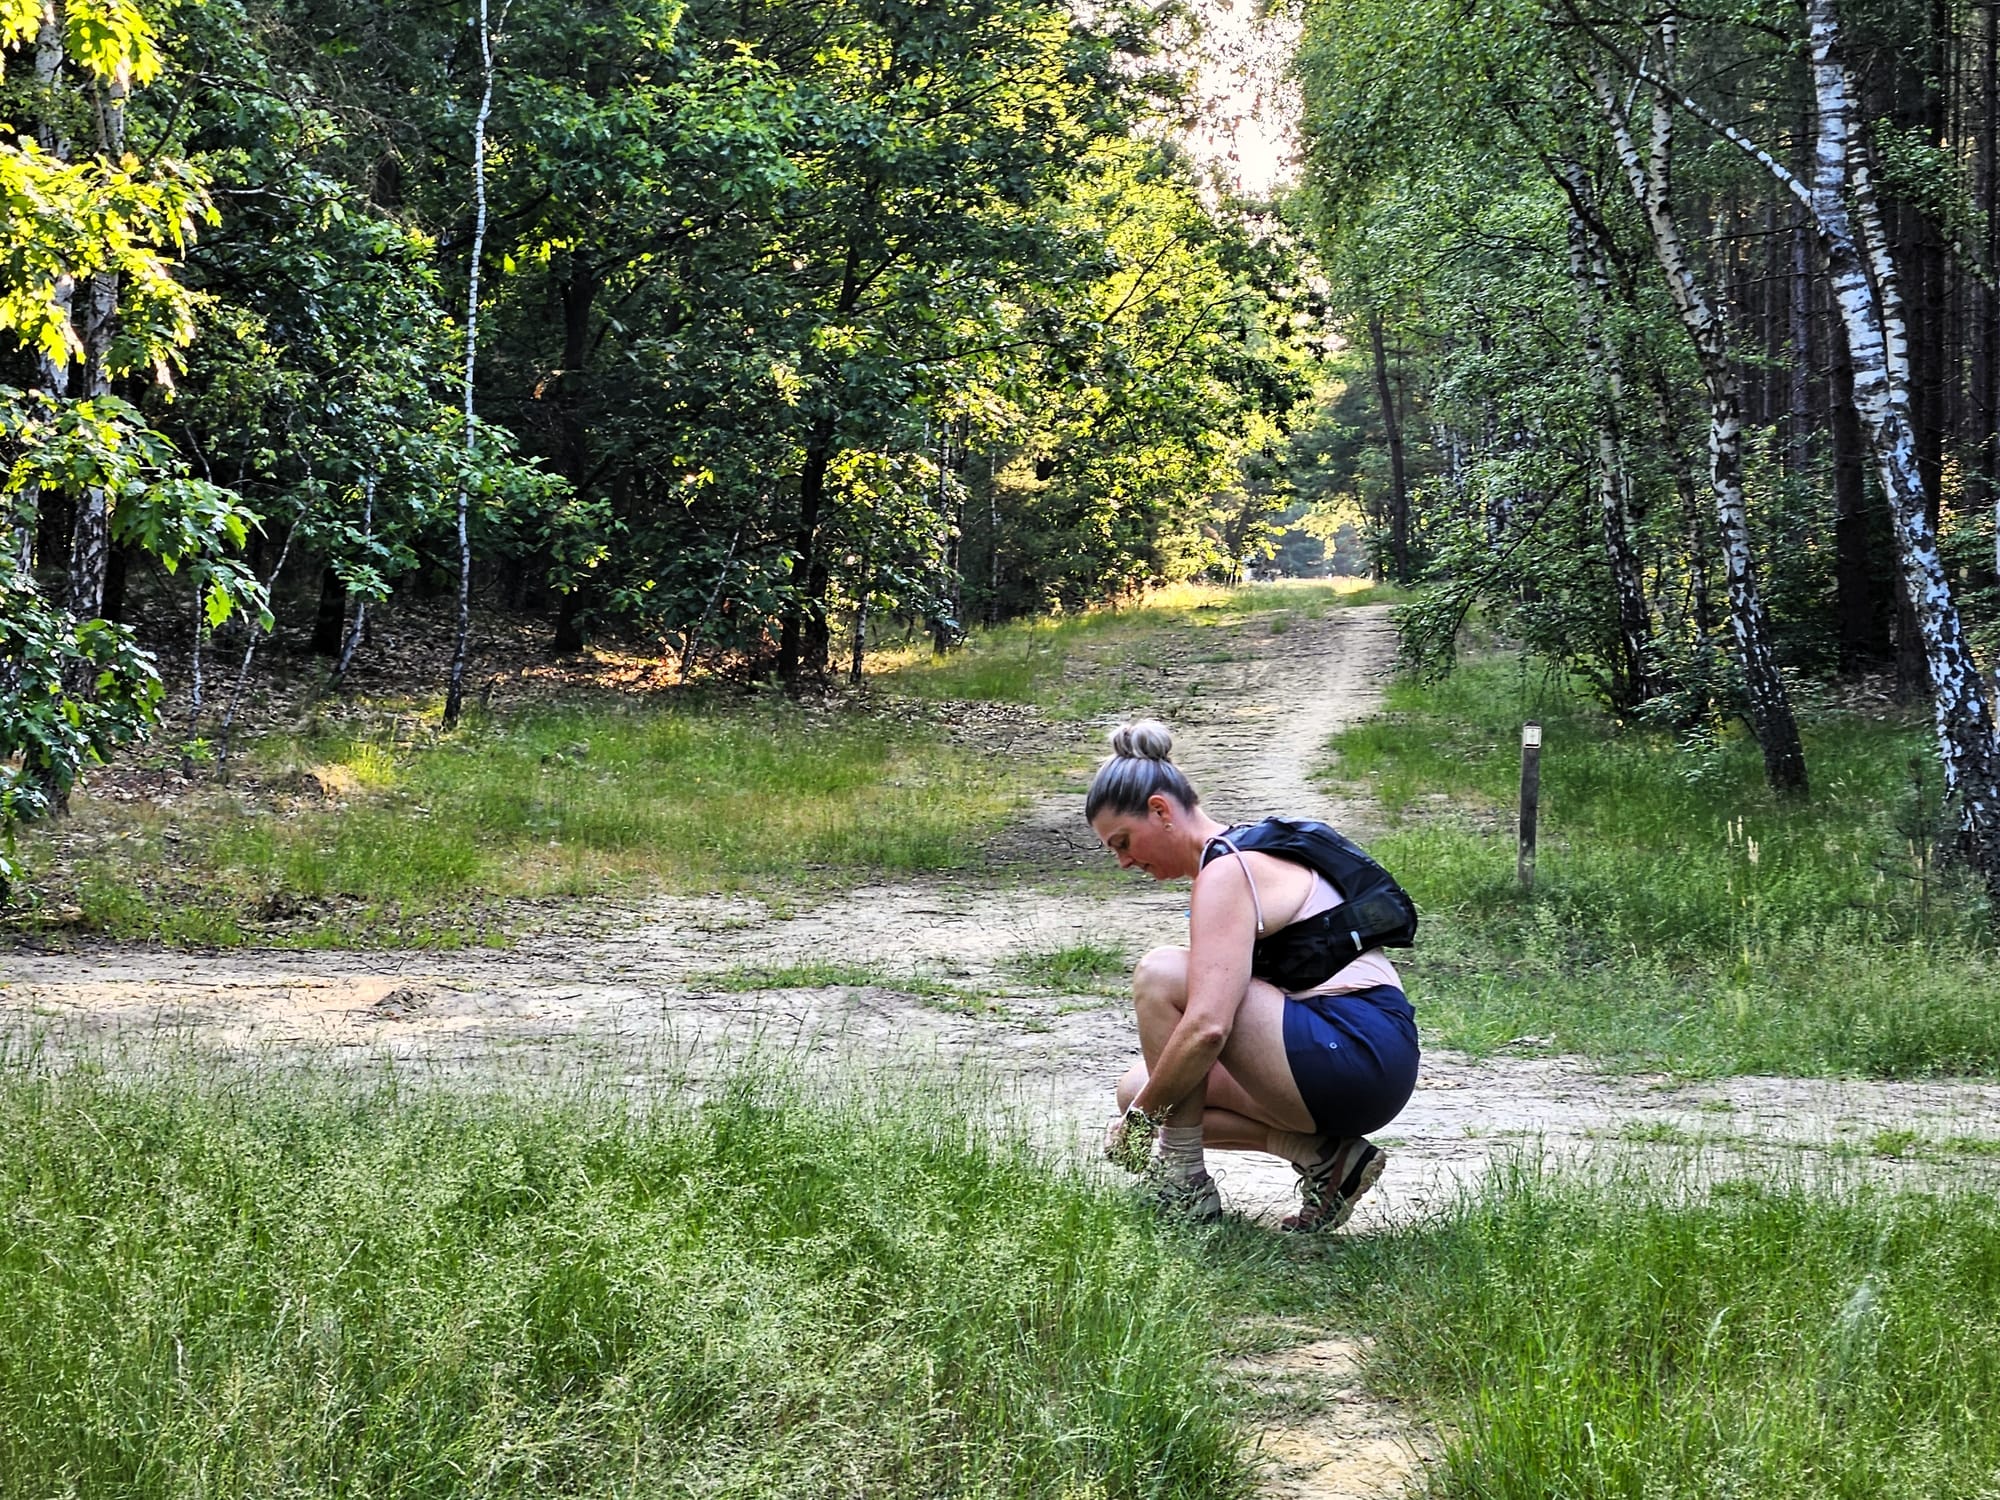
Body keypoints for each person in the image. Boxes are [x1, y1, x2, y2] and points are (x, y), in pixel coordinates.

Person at [1087, 719, 1419, 1230]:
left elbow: (1208, 1026)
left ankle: (1182, 1183)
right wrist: (1143, 1109)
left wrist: (1140, 1126)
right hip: (1355, 1061)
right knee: (1140, 1087)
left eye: (1123, 841)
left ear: (1160, 810)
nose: (1124, 862)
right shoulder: (1235, 857)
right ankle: (1327, 1159)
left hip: (1357, 1052)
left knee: (1161, 973)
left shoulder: (1227, 872)